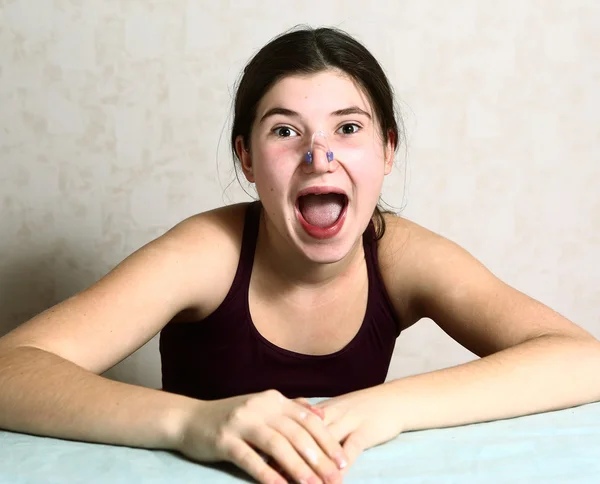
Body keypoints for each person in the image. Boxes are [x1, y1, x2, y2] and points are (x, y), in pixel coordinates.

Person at [0, 25, 599, 484]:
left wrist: (389, 406)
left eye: (348, 128)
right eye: (285, 131)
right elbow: (12, 369)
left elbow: (582, 359)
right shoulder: (206, 253)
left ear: (388, 150)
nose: (319, 156)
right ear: (246, 159)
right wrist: (191, 422)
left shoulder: (399, 254)